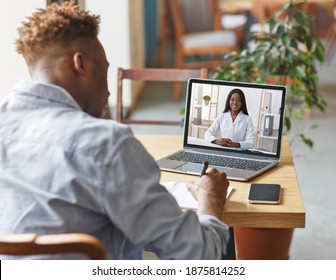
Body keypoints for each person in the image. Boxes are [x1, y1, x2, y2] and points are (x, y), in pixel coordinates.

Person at [0, 1, 230, 260]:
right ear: (81, 64)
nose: (109, 91)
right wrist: (211, 198)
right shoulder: (106, 144)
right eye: (105, 72)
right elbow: (198, 255)